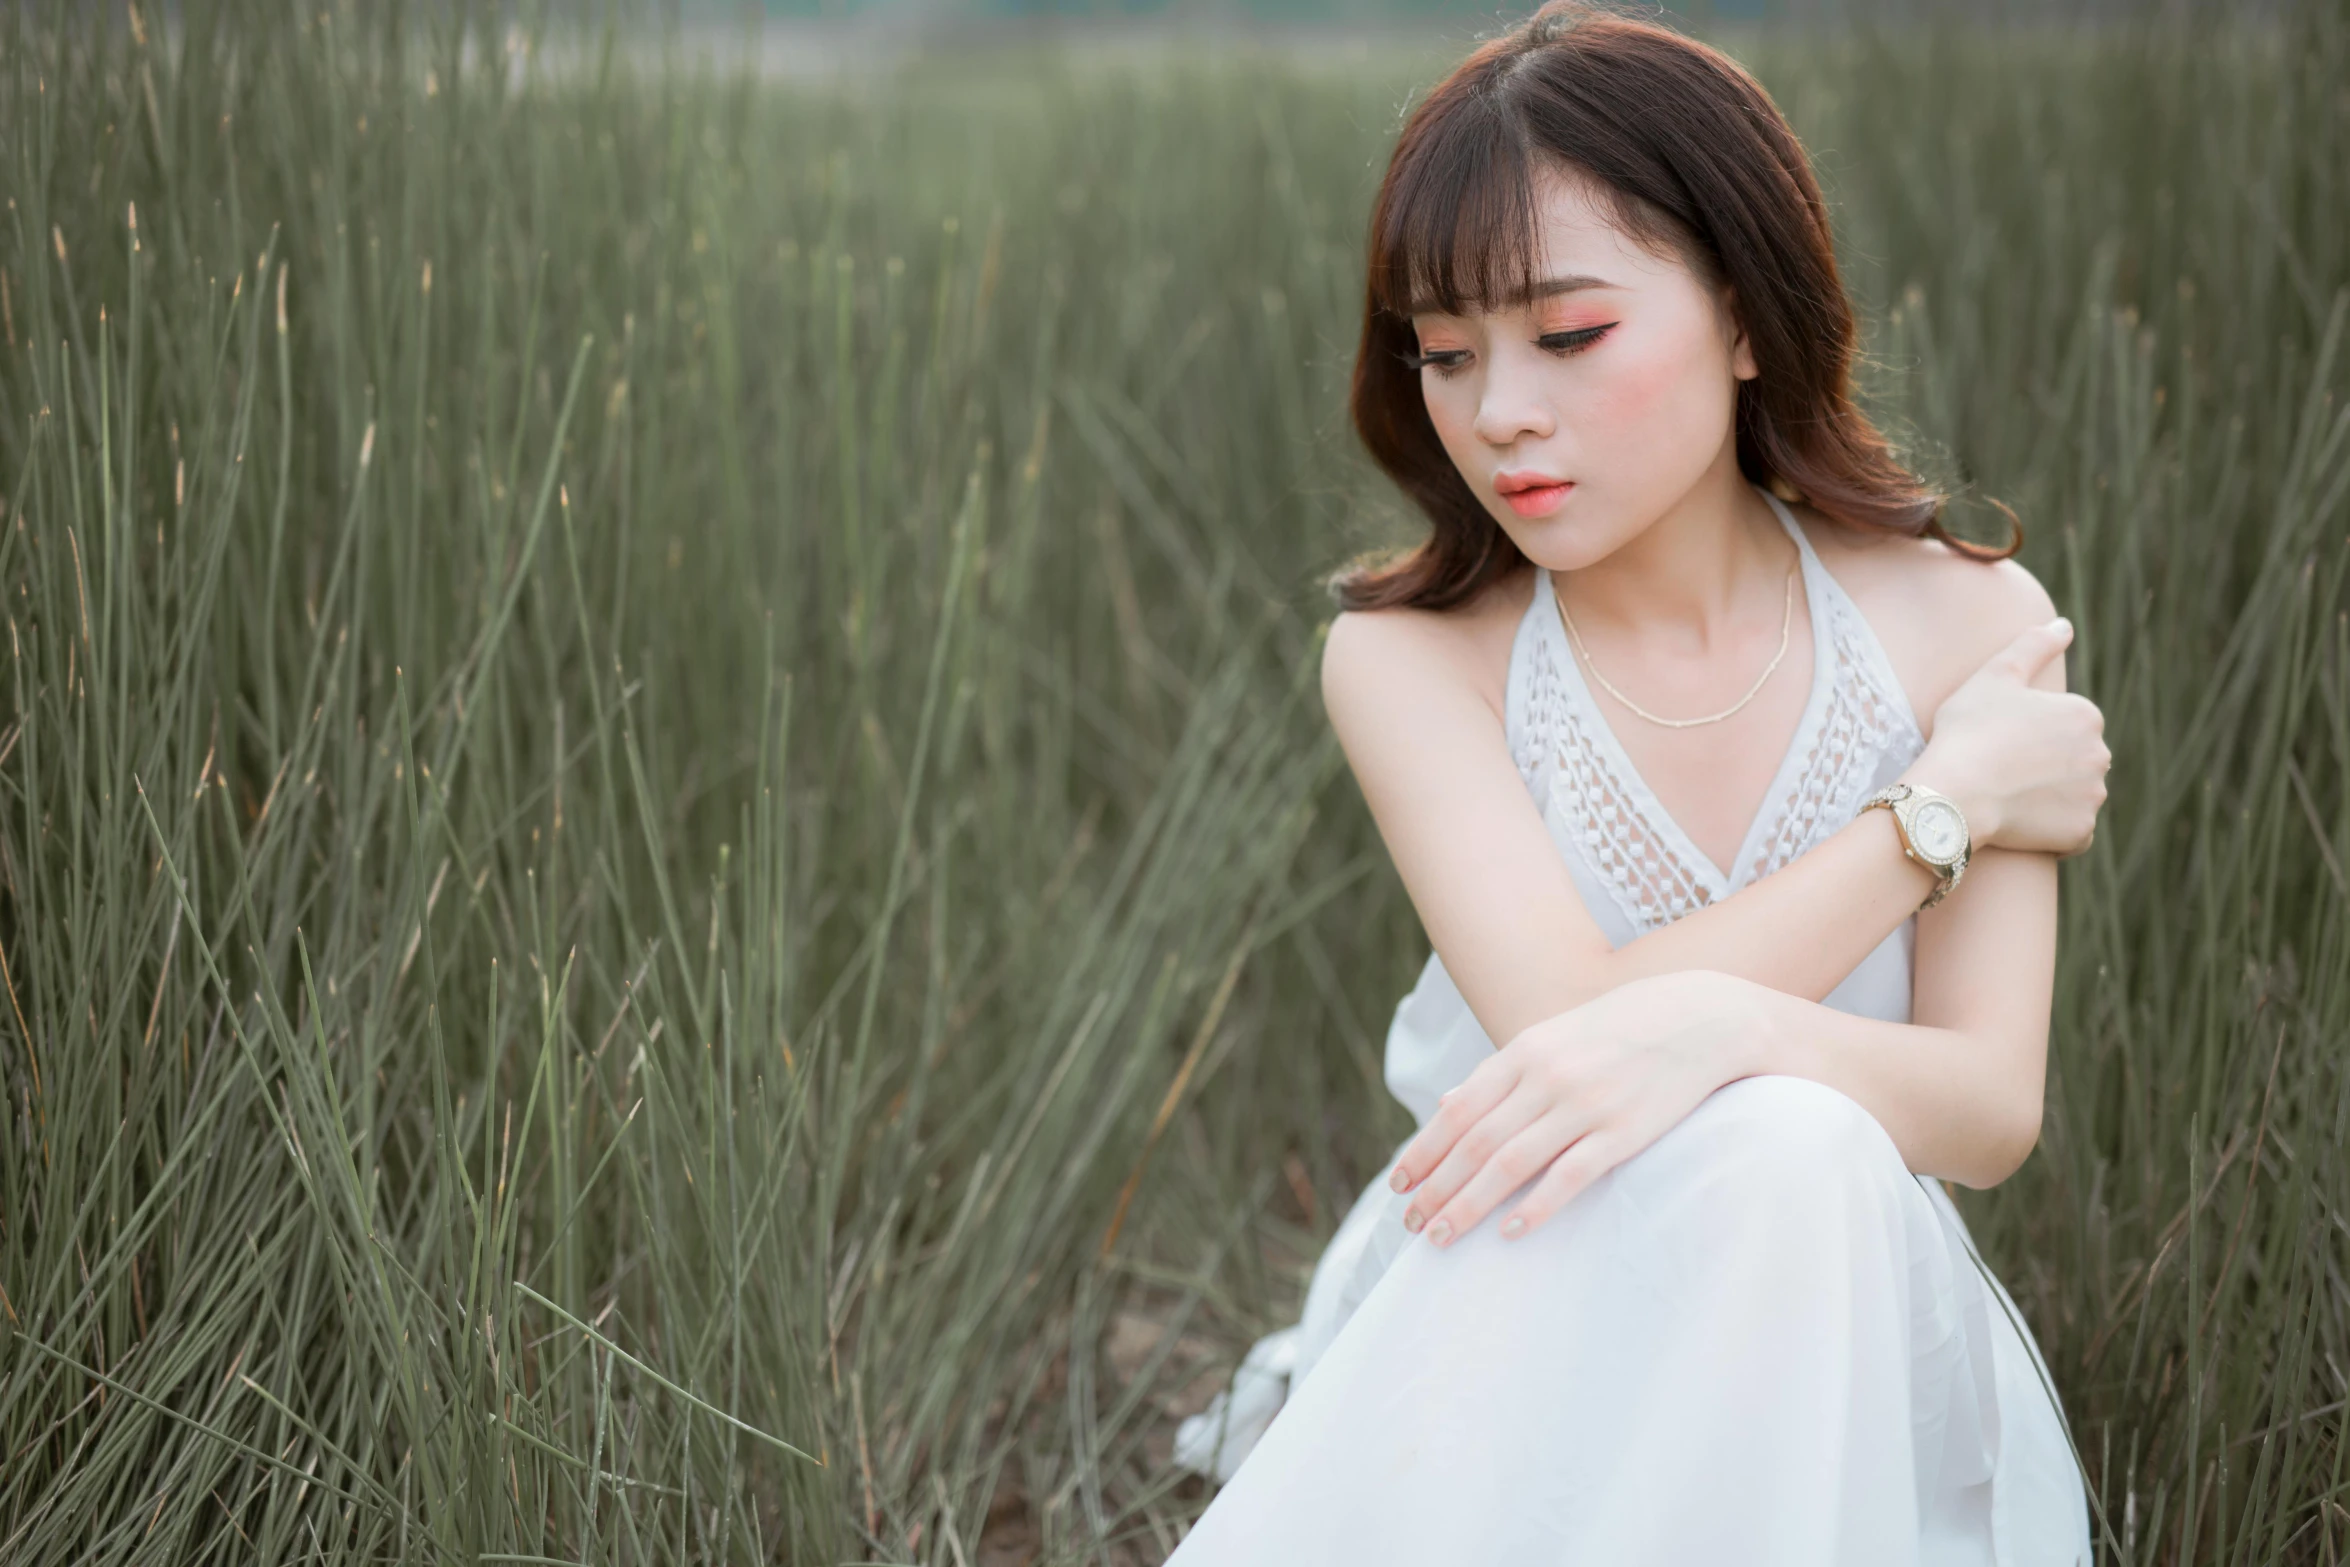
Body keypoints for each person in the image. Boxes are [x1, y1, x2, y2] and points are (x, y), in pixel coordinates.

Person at [1163, 7, 2112, 1564]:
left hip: (1834, 1301)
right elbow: (1564, 1032)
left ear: (1744, 312)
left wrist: (1727, 1028)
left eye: (1569, 334)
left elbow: (1986, 1111)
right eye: (1446, 354)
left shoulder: (1970, 628)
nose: (1497, 415)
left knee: (1799, 1150)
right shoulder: (1415, 656)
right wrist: (1933, 819)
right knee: (1781, 1130)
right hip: (1516, 1270)